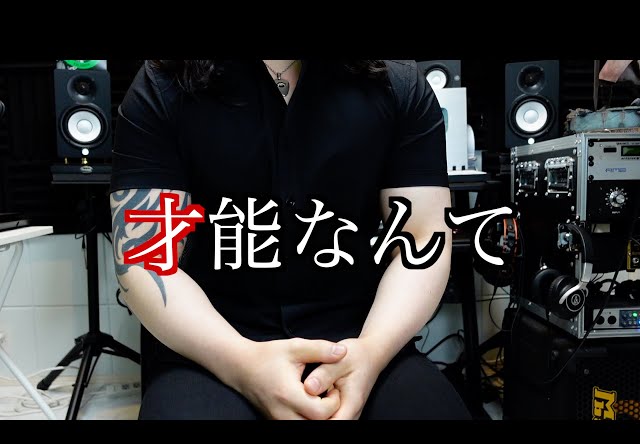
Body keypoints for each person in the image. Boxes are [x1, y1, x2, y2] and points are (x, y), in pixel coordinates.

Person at [109, 59, 471, 420]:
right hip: (211, 343)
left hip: (362, 338)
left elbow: (422, 240)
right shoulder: (162, 83)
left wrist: (372, 352)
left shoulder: (399, 84)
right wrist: (243, 363)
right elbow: (145, 259)